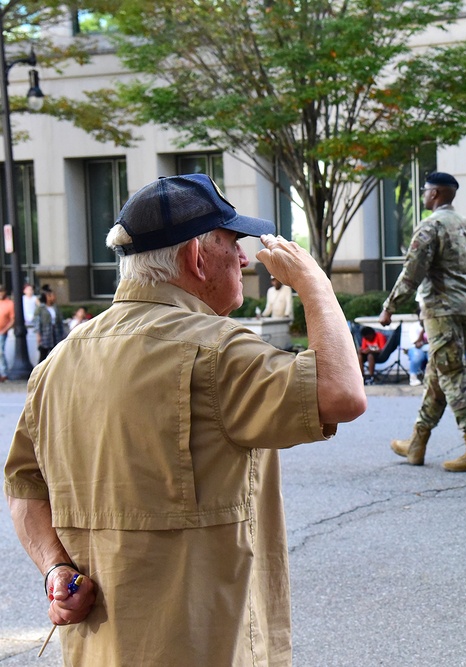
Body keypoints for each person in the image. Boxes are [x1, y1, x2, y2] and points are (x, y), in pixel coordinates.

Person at [3, 173, 367, 665]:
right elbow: (342, 394)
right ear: (196, 256)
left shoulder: (56, 363)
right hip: (206, 646)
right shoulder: (218, 349)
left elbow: (24, 486)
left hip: (98, 649)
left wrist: (55, 568)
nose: (243, 258)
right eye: (233, 243)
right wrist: (315, 284)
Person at [379, 171, 466, 473]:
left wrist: (390, 306)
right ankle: (418, 441)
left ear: (437, 194)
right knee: (437, 375)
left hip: (441, 310)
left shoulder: (431, 226)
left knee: (452, 375)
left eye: (426, 190)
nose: (423, 195)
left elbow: (412, 272)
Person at [33, 285, 66, 362]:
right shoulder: (40, 309)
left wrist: (63, 334)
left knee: (56, 354)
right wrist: (38, 335)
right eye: (50, 296)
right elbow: (37, 322)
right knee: (43, 355)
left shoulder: (56, 308)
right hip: (46, 334)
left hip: (56, 333)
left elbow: (60, 321)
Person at [407, 321, 429, 386]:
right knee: (417, 356)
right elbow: (417, 344)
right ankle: (413, 378)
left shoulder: (433, 324)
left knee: (433, 356)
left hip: (430, 348)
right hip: (416, 349)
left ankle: (430, 378)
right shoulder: (414, 326)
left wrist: (422, 343)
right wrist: (423, 330)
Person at [0, 286, 13, 380]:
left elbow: (13, 319)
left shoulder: (9, 303)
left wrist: (5, 329)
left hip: (2, 331)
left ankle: (4, 373)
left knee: (0, 352)